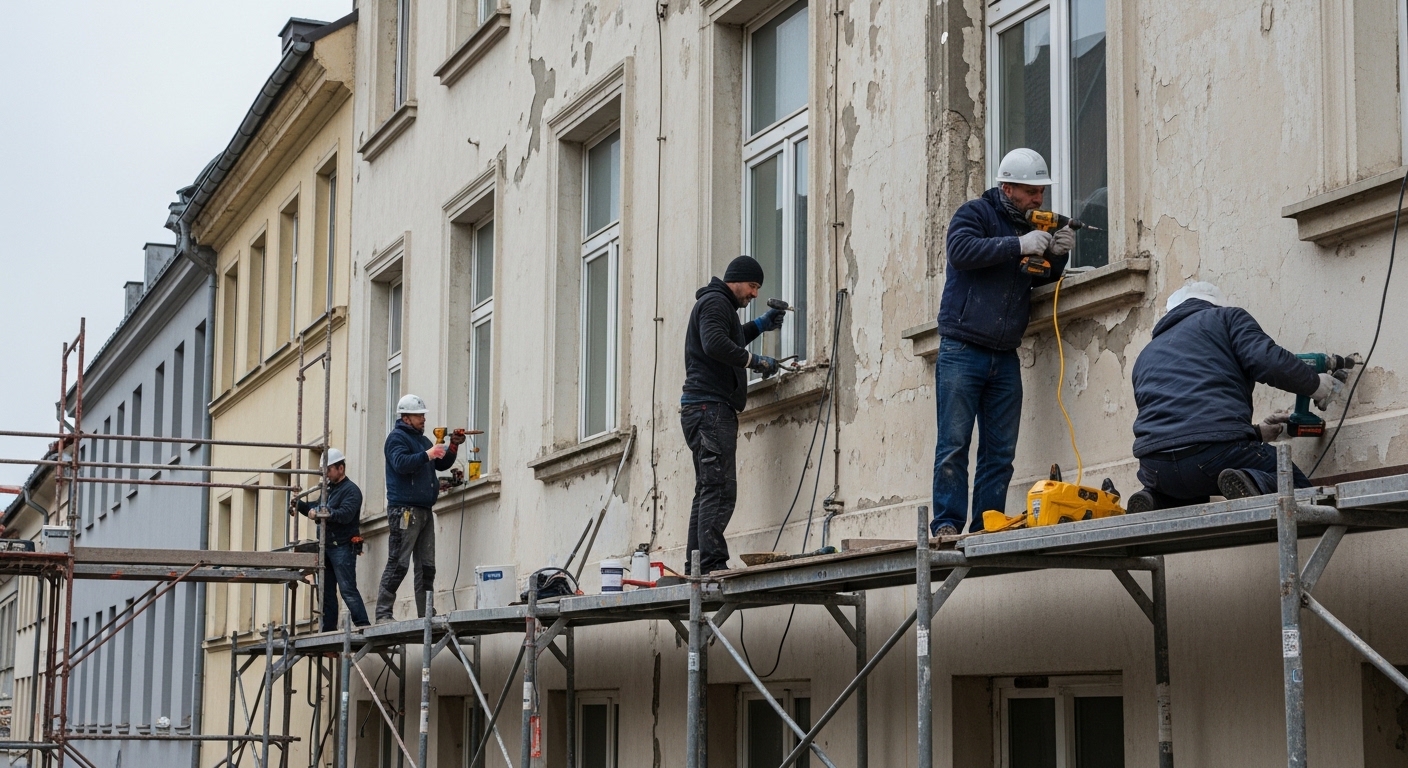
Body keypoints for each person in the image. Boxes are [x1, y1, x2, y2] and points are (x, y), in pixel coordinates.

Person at [930, 148, 1076, 536]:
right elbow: (960, 252)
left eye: (1042, 193)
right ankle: (946, 524)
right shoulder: (975, 213)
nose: (1039, 199)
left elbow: (1035, 275)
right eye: (1031, 191)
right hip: (962, 348)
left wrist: (1055, 256)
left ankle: (986, 525)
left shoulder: (1032, 225)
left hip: (1005, 353)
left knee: (1000, 452)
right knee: (954, 443)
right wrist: (1019, 244)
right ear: (1007, 187)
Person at [1125, 282, 1343, 511]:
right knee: (1297, 491)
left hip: (1155, 466)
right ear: (1213, 304)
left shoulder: (1145, 354)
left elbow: (1181, 422)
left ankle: (1154, 500)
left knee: (1184, 485)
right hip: (1215, 454)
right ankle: (1252, 480)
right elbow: (1267, 360)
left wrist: (1257, 432)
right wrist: (1317, 385)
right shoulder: (1226, 318)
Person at [680, 255, 788, 574]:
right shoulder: (716, 303)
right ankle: (711, 563)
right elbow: (716, 343)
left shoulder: (717, 306)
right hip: (710, 408)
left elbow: (727, 337)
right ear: (736, 280)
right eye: (753, 286)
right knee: (720, 487)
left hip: (702, 408)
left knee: (708, 488)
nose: (755, 294)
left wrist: (760, 325)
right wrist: (754, 361)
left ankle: (696, 564)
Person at [375, 394, 463, 621]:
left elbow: (441, 462)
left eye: (423, 415)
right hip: (404, 510)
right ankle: (383, 613)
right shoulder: (396, 439)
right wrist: (428, 454)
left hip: (423, 510)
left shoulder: (422, 441)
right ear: (406, 417)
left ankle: (426, 612)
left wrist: (452, 445)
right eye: (419, 415)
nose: (423, 419)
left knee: (426, 566)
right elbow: (401, 464)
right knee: (398, 563)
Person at [290, 448, 370, 631]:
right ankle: (328, 631)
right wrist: (301, 505)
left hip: (343, 546)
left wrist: (320, 514)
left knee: (347, 590)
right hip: (326, 547)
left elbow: (345, 515)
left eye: (329, 469)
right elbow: (317, 506)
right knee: (326, 593)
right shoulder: (329, 490)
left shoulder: (351, 490)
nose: (325, 474)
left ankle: (363, 626)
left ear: (341, 468)